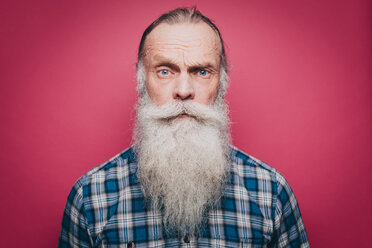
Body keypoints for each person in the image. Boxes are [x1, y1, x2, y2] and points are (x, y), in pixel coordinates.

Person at [58, 7, 309, 248]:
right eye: (165, 71)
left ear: (221, 82)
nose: (184, 91)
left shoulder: (271, 193)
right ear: (141, 81)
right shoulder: (90, 196)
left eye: (202, 71)